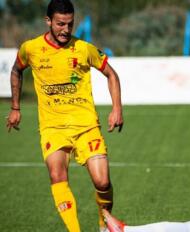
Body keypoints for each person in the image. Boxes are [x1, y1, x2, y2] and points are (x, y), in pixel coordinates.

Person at [6, 0, 123, 231]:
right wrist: (16, 107)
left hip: (86, 126)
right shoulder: (31, 49)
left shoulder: (83, 48)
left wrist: (117, 108)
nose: (66, 30)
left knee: (103, 181)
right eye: (60, 24)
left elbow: (111, 74)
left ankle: (103, 223)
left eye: (70, 24)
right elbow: (16, 70)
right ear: (48, 21)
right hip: (53, 128)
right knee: (56, 174)